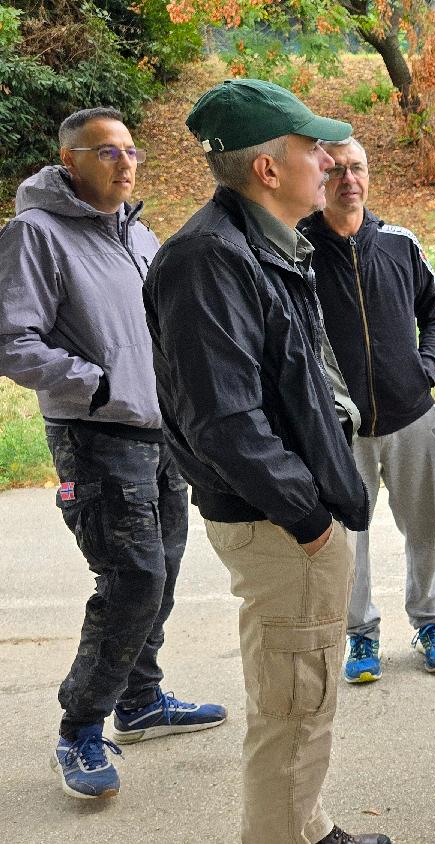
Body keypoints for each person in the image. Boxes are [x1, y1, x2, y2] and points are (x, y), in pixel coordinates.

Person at [143, 79, 387, 844]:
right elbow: (224, 424)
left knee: (303, 694)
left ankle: (303, 827)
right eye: (312, 148)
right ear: (268, 170)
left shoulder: (266, 242)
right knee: (293, 704)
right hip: (279, 524)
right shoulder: (207, 261)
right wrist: (311, 521)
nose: (328, 160)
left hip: (290, 514)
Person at [0, 108, 226, 800]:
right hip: (96, 437)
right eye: (107, 153)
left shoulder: (138, 234)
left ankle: (142, 698)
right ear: (69, 160)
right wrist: (95, 385)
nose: (125, 164)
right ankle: (80, 727)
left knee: (165, 572)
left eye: (132, 151)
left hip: (161, 433)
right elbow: (13, 340)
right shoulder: (35, 234)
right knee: (132, 582)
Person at [300, 137, 435, 683]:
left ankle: (432, 621)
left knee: (426, 530)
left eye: (358, 168)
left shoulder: (398, 243)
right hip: (342, 431)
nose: (349, 180)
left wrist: (424, 370)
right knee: (350, 541)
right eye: (337, 170)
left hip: (414, 420)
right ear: (320, 178)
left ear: (369, 175)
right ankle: (361, 635)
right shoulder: (299, 252)